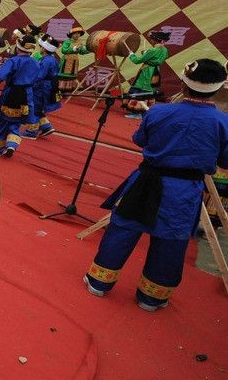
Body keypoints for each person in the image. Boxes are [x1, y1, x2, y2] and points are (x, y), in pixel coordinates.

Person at [85, 59, 228, 311]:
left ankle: (99, 283)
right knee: (171, 240)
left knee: (123, 229)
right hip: (184, 190)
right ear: (217, 89)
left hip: (147, 181)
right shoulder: (222, 123)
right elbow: (225, 160)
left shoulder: (159, 111)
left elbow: (140, 139)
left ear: (184, 86)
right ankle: (151, 298)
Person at [0, 35, 42, 158]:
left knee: (3, 120)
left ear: (18, 48)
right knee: (17, 121)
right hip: (26, 94)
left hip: (12, 92)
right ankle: (12, 144)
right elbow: (37, 79)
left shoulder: (13, 61)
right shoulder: (36, 63)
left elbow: (0, 77)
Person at [124, 30, 170, 119]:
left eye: (151, 39)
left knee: (141, 90)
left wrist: (131, 54)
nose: (151, 41)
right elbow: (161, 57)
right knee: (150, 89)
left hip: (147, 71)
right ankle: (146, 111)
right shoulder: (164, 50)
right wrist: (147, 54)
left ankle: (137, 113)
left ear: (155, 40)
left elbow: (137, 61)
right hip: (156, 71)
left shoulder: (153, 50)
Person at [24, 37, 62, 138]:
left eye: (41, 47)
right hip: (47, 85)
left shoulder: (46, 61)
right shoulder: (51, 59)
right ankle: (46, 126)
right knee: (39, 107)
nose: (40, 48)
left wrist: (27, 82)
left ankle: (31, 131)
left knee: (35, 107)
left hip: (42, 87)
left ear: (44, 49)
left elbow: (40, 76)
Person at [58, 26, 89, 93]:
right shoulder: (67, 42)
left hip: (75, 61)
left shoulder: (80, 42)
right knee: (64, 75)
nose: (77, 35)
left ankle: (68, 90)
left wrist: (89, 49)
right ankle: (60, 90)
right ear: (71, 35)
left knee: (72, 76)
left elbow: (82, 51)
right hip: (66, 61)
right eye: (75, 33)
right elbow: (64, 50)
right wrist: (74, 49)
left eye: (78, 33)